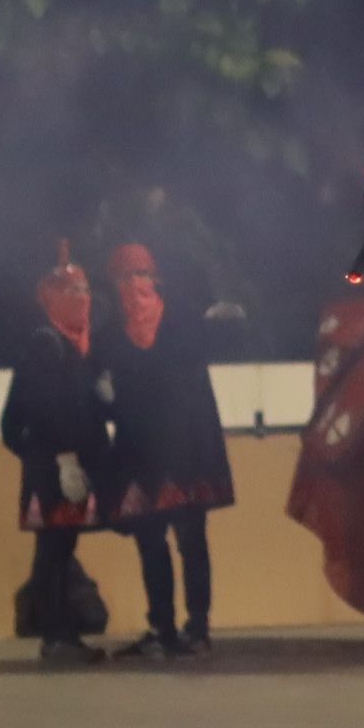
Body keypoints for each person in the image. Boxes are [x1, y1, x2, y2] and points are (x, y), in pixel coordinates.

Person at [94, 243, 232, 660]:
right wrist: (105, 396)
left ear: (155, 279)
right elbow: (103, 393)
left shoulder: (183, 321)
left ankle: (198, 626)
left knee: (191, 539)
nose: (134, 284)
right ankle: (162, 627)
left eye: (141, 274)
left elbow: (194, 381)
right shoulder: (111, 334)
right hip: (141, 453)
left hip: (186, 452)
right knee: (150, 541)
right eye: (124, 277)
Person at [1, 244, 114, 667]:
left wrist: (105, 398)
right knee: (52, 549)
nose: (82, 297)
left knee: (61, 549)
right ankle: (55, 635)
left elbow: (82, 405)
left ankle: (62, 632)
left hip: (72, 466)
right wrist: (63, 459)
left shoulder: (79, 345)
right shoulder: (46, 345)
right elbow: (45, 409)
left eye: (85, 288)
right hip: (55, 468)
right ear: (51, 298)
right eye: (71, 290)